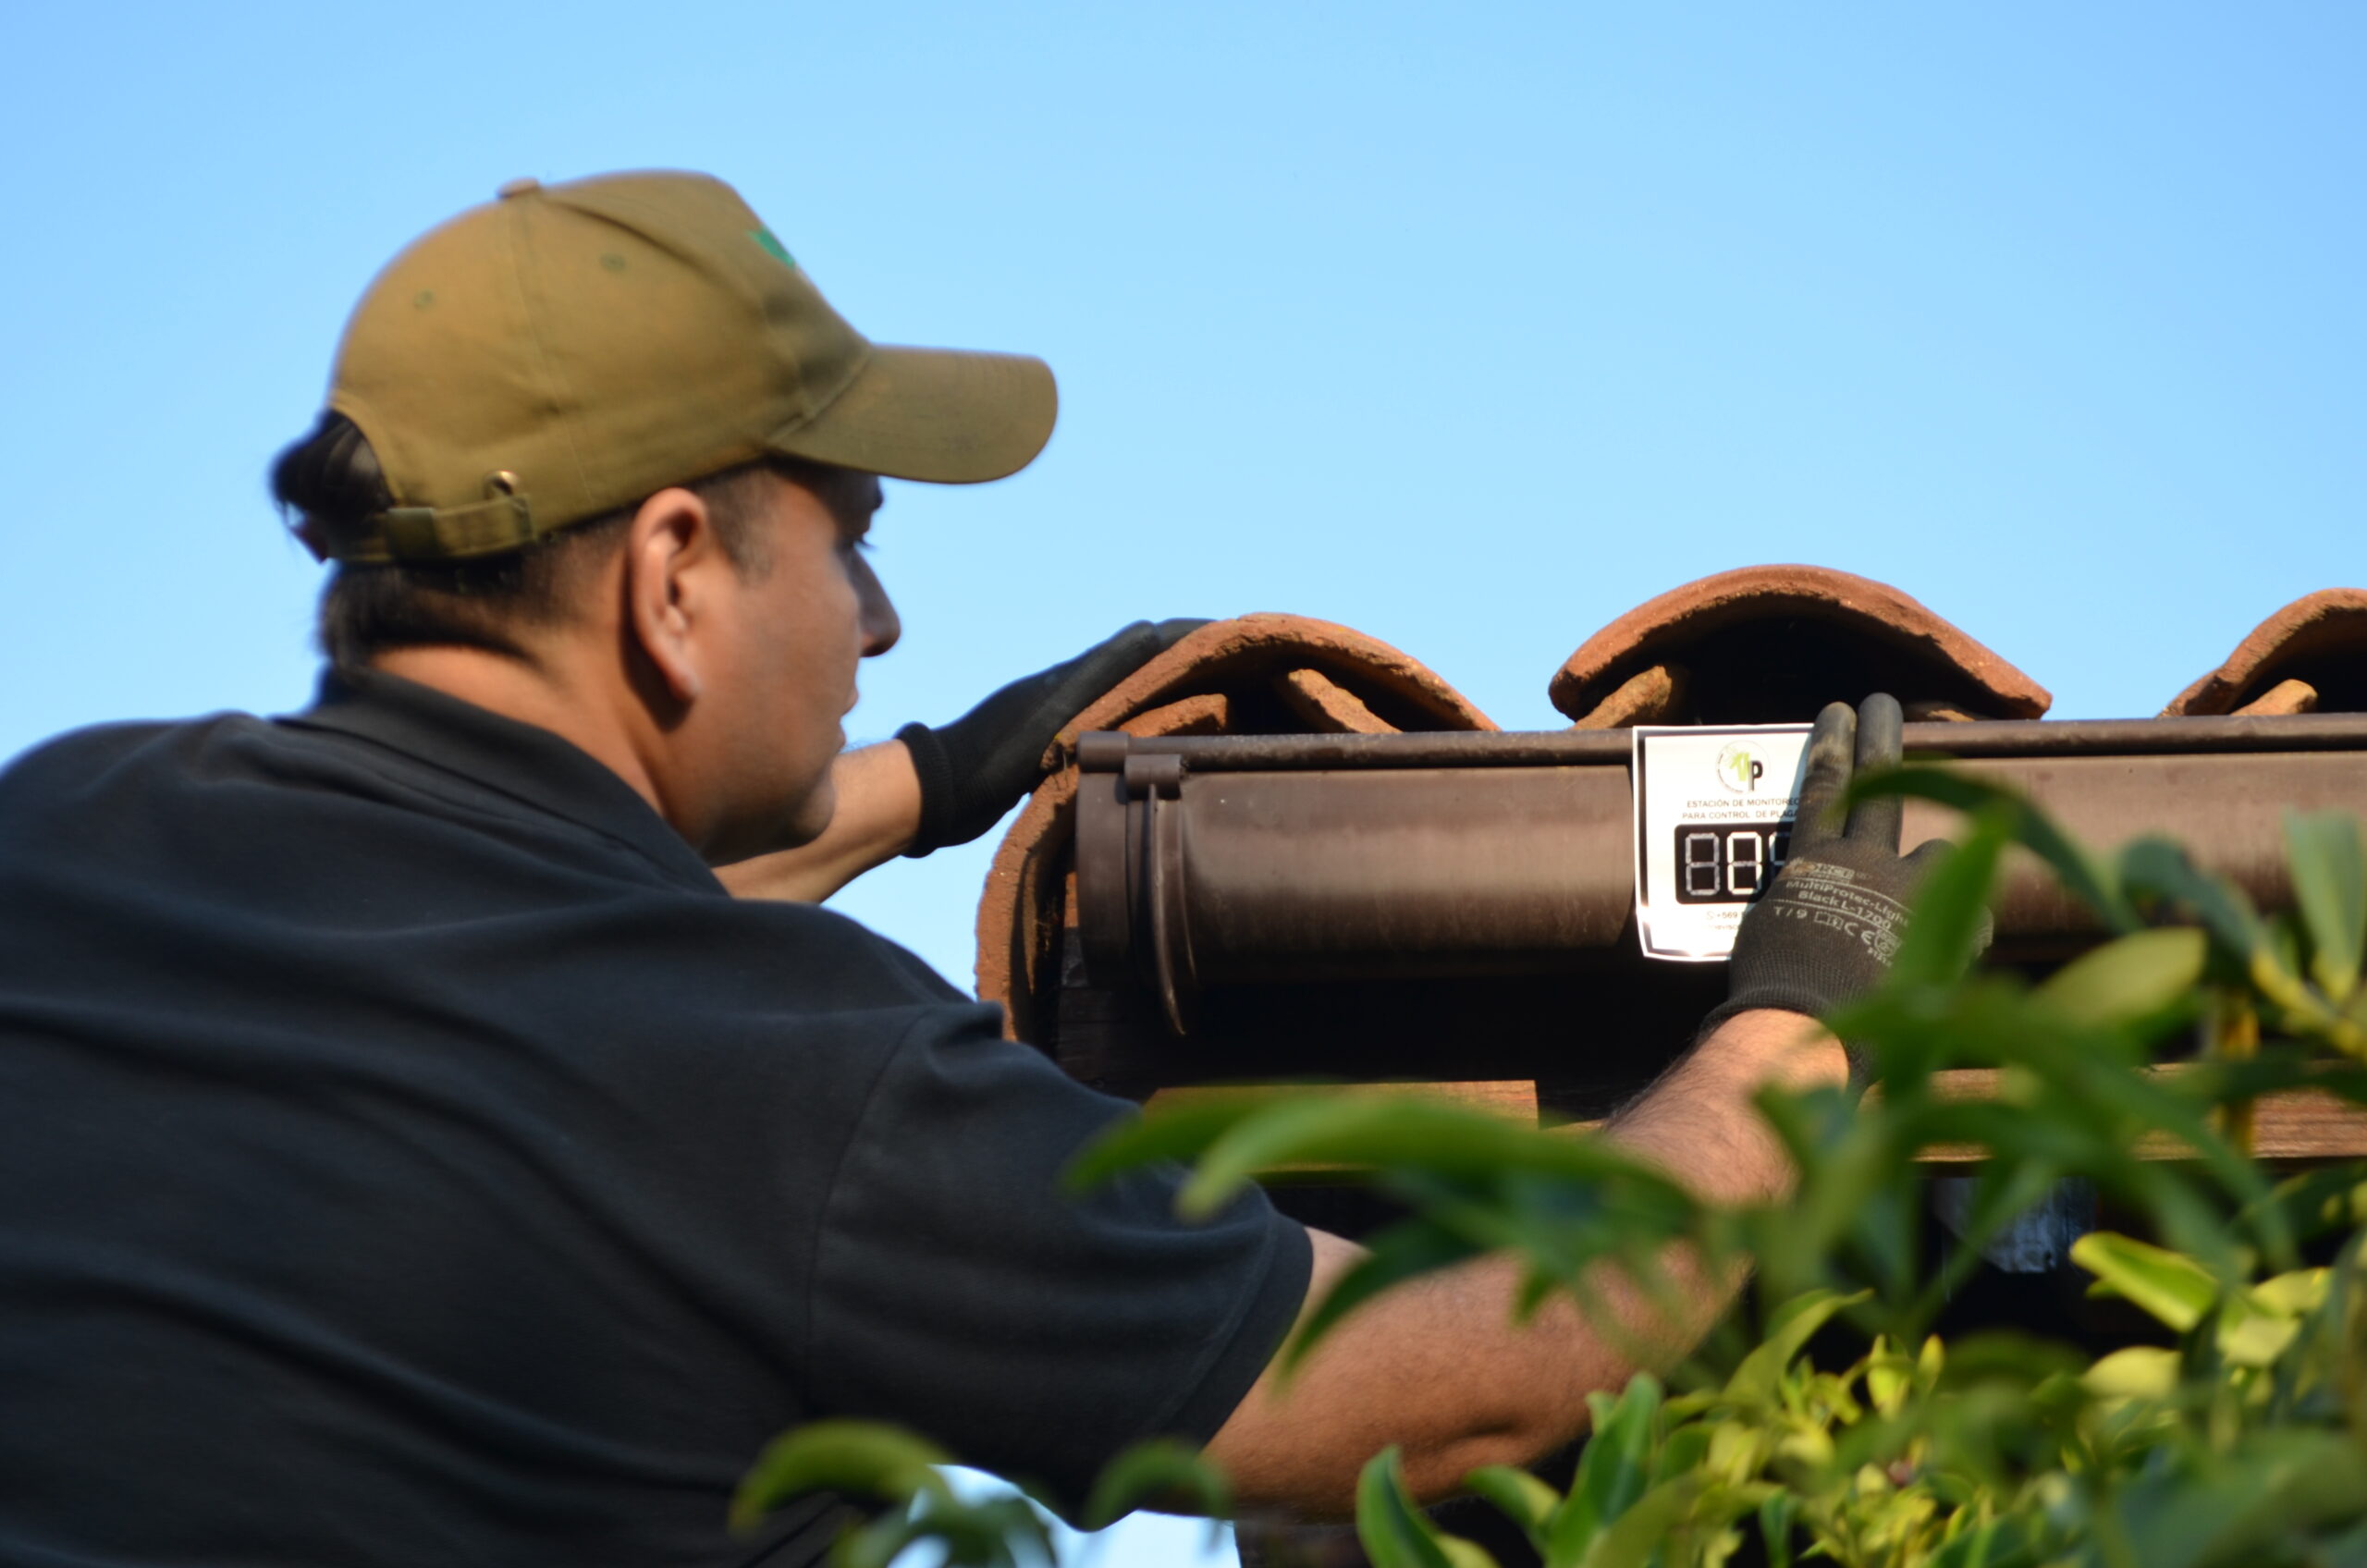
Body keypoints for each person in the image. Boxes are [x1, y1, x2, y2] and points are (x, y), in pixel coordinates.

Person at [0, 170, 1932, 1567]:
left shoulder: (64, 832)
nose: (886, 619)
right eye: (843, 541)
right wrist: (1790, 1017)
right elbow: (1467, 1386)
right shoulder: (798, 1083)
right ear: (674, 573)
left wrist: (903, 791)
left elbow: (499, 978)